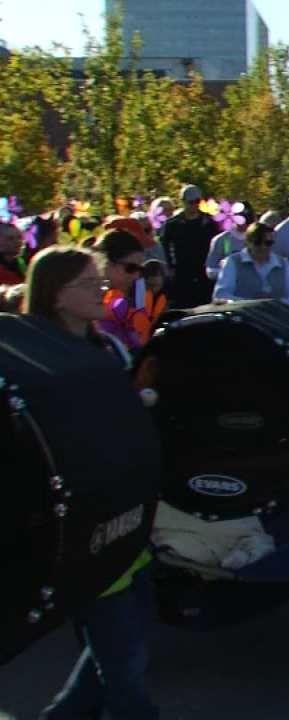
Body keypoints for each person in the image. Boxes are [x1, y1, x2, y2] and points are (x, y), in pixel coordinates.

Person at [24, 245, 158, 720]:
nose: (102, 289)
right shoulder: (36, 360)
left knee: (126, 643)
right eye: (87, 283)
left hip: (127, 515)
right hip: (84, 532)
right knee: (126, 666)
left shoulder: (106, 346)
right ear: (57, 296)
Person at [159, 184, 220, 308]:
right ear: (183, 202)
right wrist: (170, 267)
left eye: (197, 201)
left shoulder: (209, 222)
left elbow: (219, 244)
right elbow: (164, 246)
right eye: (191, 202)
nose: (194, 205)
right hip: (182, 274)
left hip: (204, 274)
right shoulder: (172, 224)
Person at [212, 223, 289, 307]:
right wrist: (253, 305)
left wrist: (272, 305)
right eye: (258, 242)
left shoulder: (282, 263)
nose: (263, 247)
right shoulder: (233, 262)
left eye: (268, 243)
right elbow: (221, 295)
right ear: (247, 242)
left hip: (276, 318)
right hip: (243, 318)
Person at [93, 230, 149, 350]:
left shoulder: (136, 295)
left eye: (140, 269)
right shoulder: (85, 301)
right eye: (131, 268)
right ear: (105, 262)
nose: (136, 276)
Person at [204, 201, 255, 282]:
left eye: (248, 221)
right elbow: (210, 270)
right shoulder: (222, 240)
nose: (245, 224)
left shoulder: (258, 239)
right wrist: (228, 272)